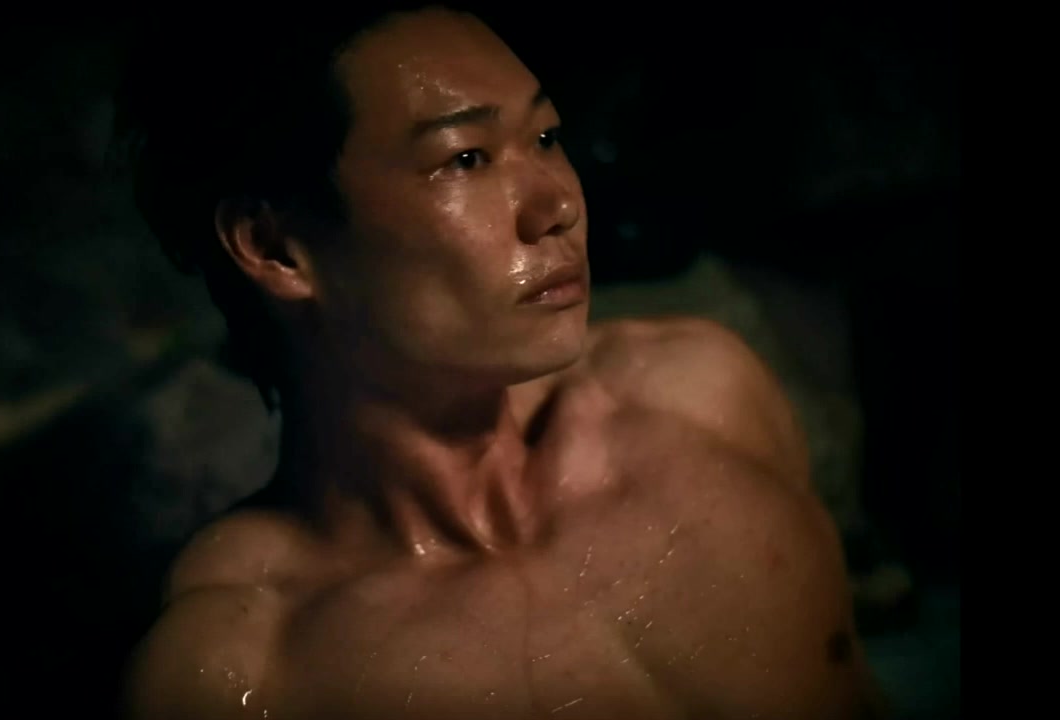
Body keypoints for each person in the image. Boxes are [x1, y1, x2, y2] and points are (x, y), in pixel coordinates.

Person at [118, 4, 887, 718]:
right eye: (466, 158)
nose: (558, 205)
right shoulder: (247, 669)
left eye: (547, 138)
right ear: (276, 247)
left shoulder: (702, 398)